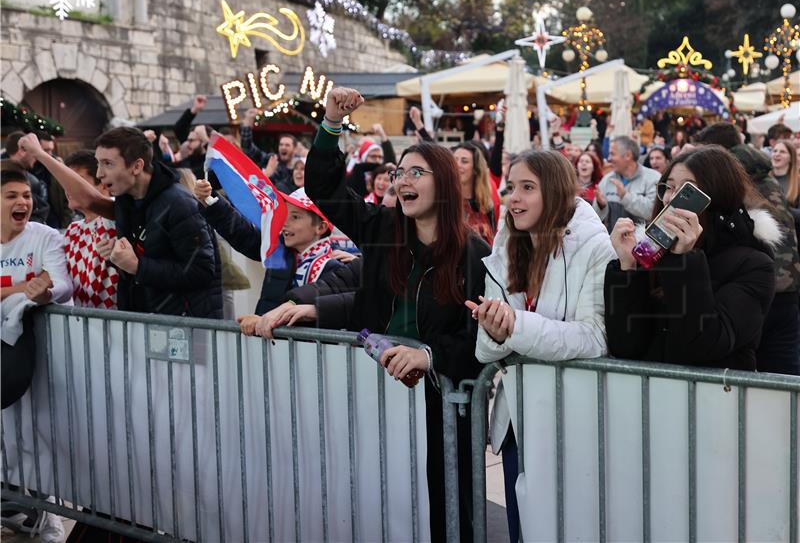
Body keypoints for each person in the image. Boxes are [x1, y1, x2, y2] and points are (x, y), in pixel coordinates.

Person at [305, 87, 491, 542]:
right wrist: (330, 123)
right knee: (383, 500)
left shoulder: (475, 255)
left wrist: (430, 357)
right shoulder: (382, 229)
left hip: (440, 404)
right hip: (377, 397)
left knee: (447, 508)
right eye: (399, 172)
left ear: (444, 183)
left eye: (416, 172)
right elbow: (324, 189)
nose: (402, 180)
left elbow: (482, 343)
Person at [470, 150, 615, 543]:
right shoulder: (506, 247)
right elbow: (486, 353)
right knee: (523, 531)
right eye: (511, 188)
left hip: (572, 420)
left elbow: (595, 336)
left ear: (555, 192)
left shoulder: (595, 246)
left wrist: (516, 326)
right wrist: (496, 329)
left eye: (527, 188)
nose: (513, 198)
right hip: (518, 418)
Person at [604, 146, 780, 370]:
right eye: (668, 187)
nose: (671, 197)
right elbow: (625, 346)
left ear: (716, 195)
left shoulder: (754, 265)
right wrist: (627, 268)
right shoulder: (653, 253)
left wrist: (683, 260)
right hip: (650, 397)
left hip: (714, 399)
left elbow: (704, 345)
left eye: (687, 190)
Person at [18, 129, 223, 318]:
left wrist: (137, 265)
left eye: (108, 163)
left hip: (184, 327)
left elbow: (203, 272)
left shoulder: (179, 203)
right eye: (98, 163)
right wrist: (118, 258)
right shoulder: (128, 200)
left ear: (136, 166)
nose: (99, 173)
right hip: (145, 322)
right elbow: (87, 199)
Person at [693, 123, 800, 374]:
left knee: (751, 374)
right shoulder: (763, 174)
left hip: (756, 284)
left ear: (718, 151)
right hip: (787, 284)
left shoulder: (727, 181)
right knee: (784, 374)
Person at [194, 180, 342, 323]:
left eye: (295, 217)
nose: (285, 223)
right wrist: (210, 201)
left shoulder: (335, 269)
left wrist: (264, 321)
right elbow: (242, 233)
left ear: (321, 227)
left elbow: (314, 319)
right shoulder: (278, 250)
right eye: (285, 215)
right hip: (267, 346)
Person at [1, 164, 72, 407]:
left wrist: (46, 292)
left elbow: (63, 284)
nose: (23, 202)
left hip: (50, 353)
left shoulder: (46, 236)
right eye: (12, 196)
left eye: (27, 195)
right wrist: (27, 285)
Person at [62, 150, 119, 309]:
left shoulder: (116, 214)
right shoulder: (72, 230)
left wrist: (40, 154)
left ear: (102, 182)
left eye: (76, 181)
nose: (68, 188)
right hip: (83, 327)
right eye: (66, 181)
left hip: (119, 325)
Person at [593, 136, 661, 231]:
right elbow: (594, 218)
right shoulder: (607, 180)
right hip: (613, 243)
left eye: (612, 154)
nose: (608, 159)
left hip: (641, 243)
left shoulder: (653, 178)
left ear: (628, 155)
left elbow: (652, 212)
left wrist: (625, 196)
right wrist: (601, 206)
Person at [453, 141, 501, 244]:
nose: (457, 165)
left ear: (475, 169)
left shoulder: (487, 203)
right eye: (454, 160)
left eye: (464, 161)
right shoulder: (446, 200)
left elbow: (493, 237)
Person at [2, 132, 50, 224]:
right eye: (11, 196)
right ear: (22, 150)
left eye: (27, 196)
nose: (36, 158)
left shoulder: (36, 175)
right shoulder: (32, 181)